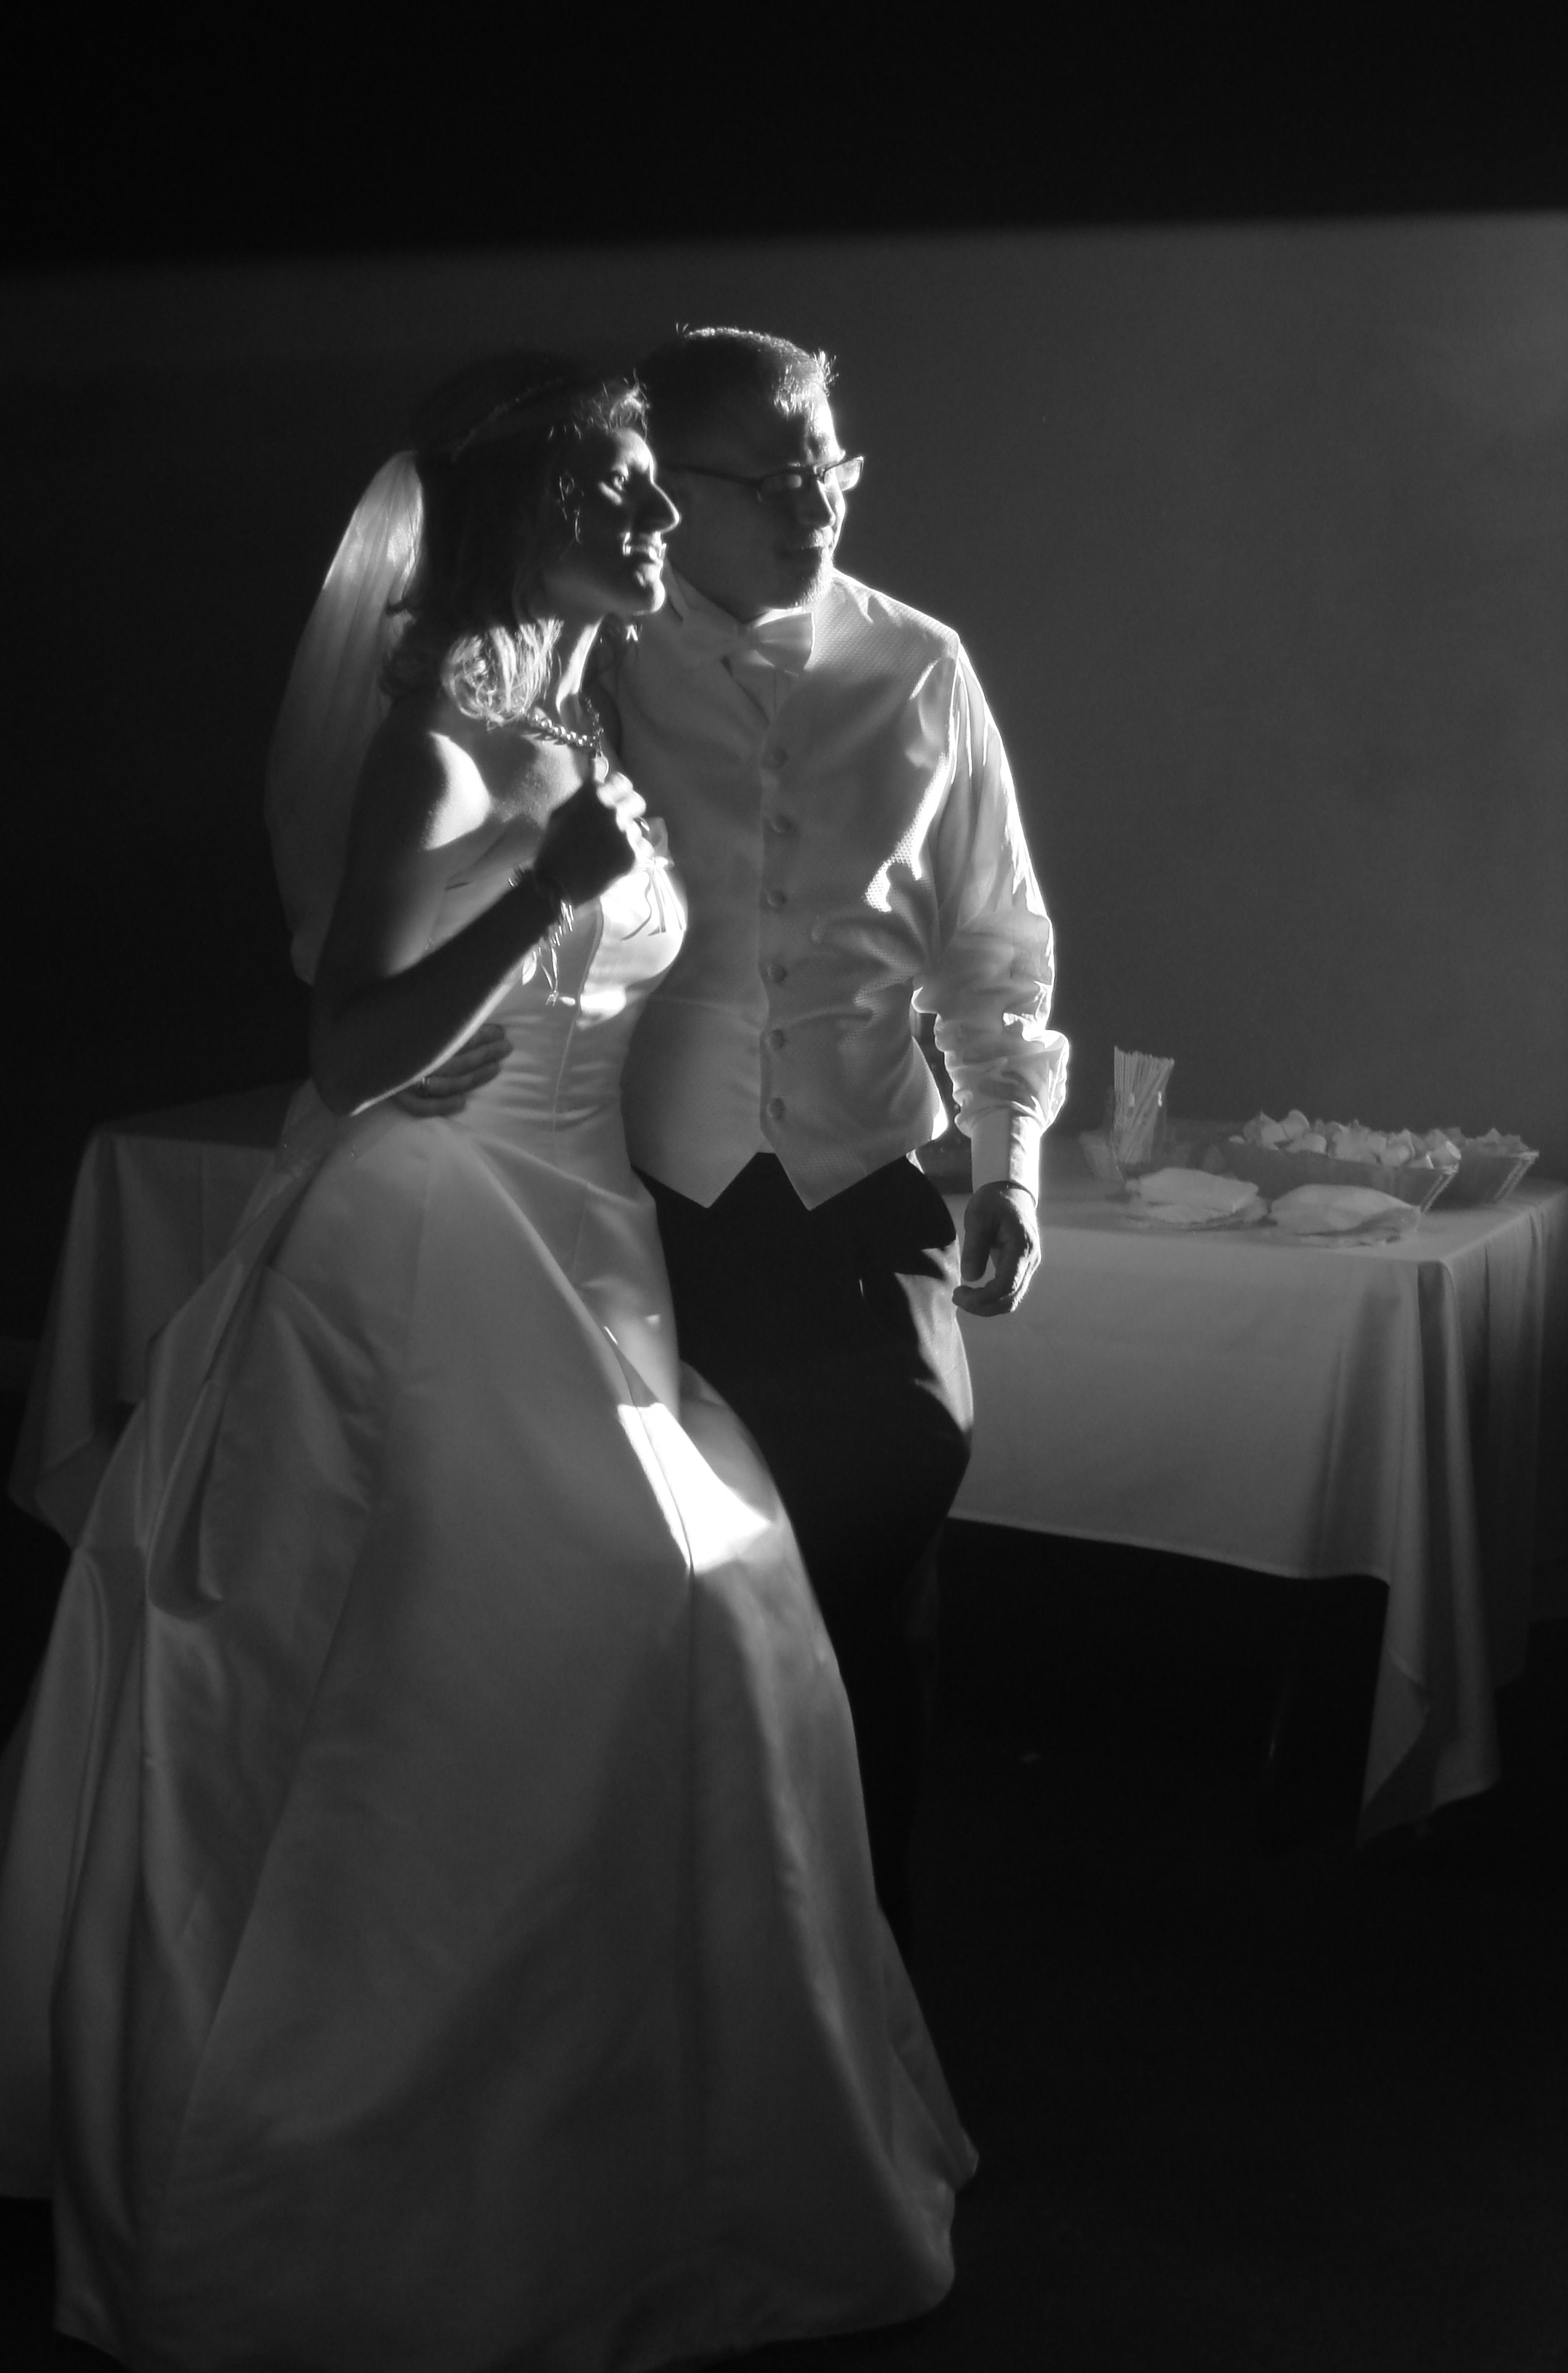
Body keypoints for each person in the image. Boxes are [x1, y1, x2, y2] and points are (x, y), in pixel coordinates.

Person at [0, 357, 975, 2373]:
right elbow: (356, 1056)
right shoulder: (441, 756)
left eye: (658, 489)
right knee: (481, 1667)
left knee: (678, 1636)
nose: (655, 521)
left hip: (585, 1239)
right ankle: (331, 2145)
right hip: (435, 1252)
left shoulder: (565, 721)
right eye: (617, 492)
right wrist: (545, 895)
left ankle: (613, 2138)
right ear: (520, 515)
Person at [611, 327, 1069, 1958]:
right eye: (772, 479)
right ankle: (689, 1936)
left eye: (828, 468)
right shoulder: (594, 658)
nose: (814, 505)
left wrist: (1008, 1162)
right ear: (669, 487)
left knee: (879, 1552)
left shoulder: (920, 666)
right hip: (646, 1204)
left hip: (862, 1189)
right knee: (667, 1590)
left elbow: (996, 946)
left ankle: (861, 1948)